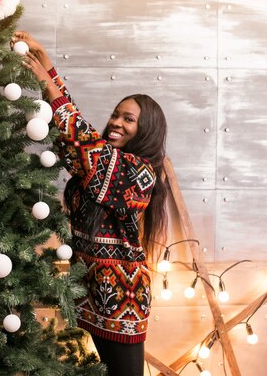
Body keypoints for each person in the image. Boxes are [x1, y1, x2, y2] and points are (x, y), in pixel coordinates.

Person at [17, 31, 168, 376]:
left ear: (146, 130)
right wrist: (47, 67)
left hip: (122, 302)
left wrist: (50, 83)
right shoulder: (102, 159)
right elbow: (74, 137)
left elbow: (85, 145)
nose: (116, 122)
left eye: (128, 119)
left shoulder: (140, 173)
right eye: (116, 115)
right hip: (90, 292)